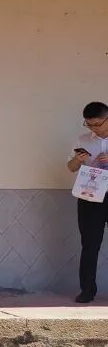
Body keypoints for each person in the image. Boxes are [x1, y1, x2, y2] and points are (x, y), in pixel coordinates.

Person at [67, 102, 108, 303]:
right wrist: (78, 159)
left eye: (98, 124)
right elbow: (71, 167)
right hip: (90, 198)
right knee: (90, 245)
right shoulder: (82, 140)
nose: (94, 128)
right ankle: (87, 290)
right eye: (89, 125)